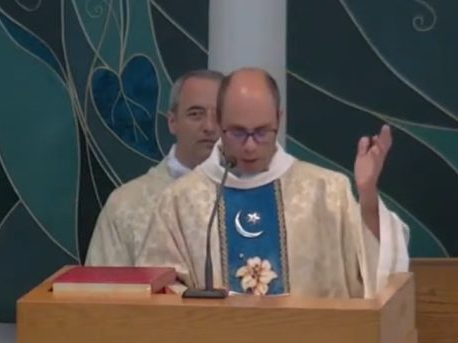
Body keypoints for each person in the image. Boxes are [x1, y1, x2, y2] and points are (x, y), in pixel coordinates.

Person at [135, 67, 409, 298]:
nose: (250, 146)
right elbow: (158, 287)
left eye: (261, 132)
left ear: (279, 118)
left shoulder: (326, 190)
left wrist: (367, 194)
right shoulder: (181, 200)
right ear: (219, 122)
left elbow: (374, 270)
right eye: (238, 132)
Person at [85, 69, 224, 266]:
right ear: (172, 122)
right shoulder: (127, 204)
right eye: (195, 114)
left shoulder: (252, 198)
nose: (209, 126)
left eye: (219, 116)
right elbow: (101, 284)